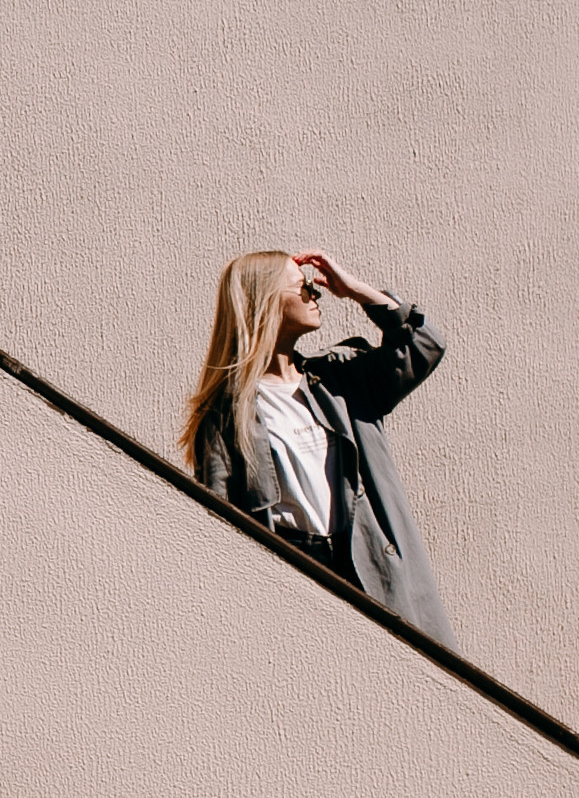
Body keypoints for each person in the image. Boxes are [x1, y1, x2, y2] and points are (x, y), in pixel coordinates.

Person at [183, 248, 452, 646]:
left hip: (367, 561)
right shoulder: (226, 415)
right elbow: (219, 527)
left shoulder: (341, 380)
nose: (317, 294)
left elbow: (423, 346)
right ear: (267, 302)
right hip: (292, 572)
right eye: (304, 287)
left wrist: (357, 291)